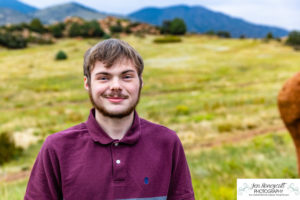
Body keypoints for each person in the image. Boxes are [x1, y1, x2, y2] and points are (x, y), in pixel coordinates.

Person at [24, 39, 195, 200]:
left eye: (126, 76)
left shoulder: (167, 143)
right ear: (87, 83)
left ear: (141, 82)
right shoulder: (57, 148)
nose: (115, 86)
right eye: (104, 77)